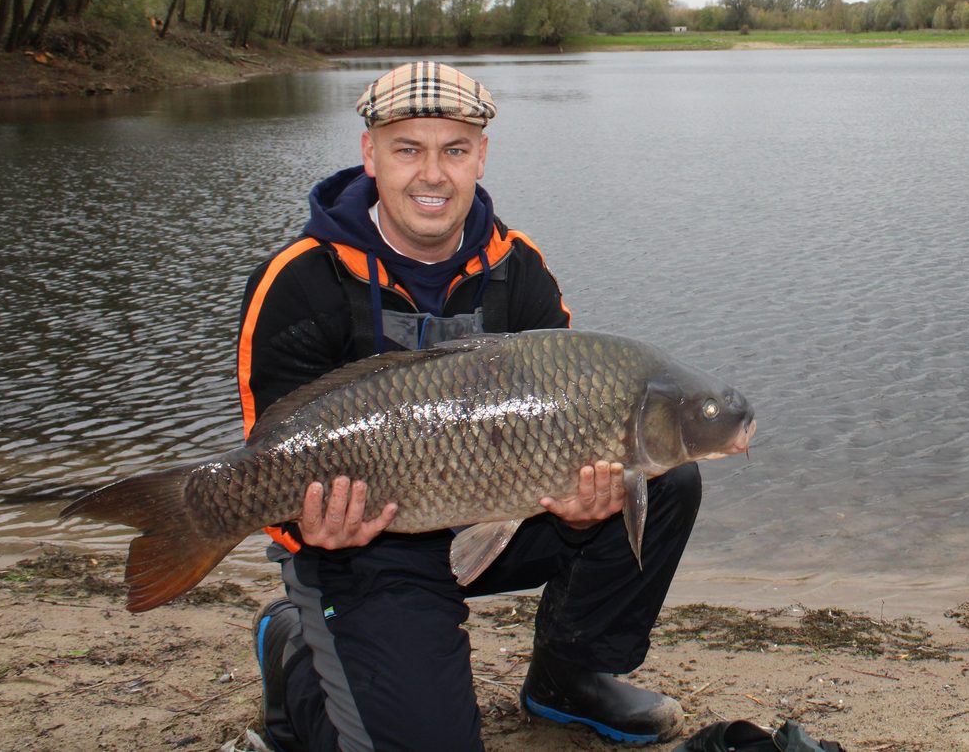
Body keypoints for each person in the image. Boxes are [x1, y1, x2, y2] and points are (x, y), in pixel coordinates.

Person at [239, 61, 701, 752]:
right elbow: (264, 452)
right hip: (367, 544)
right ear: (370, 153)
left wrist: (583, 497)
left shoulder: (520, 270)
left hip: (499, 511)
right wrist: (305, 530)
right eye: (408, 149)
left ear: (480, 155)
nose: (433, 174)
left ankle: (568, 676)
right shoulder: (299, 281)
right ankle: (295, 650)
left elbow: (572, 419)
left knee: (664, 479)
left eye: (454, 149)